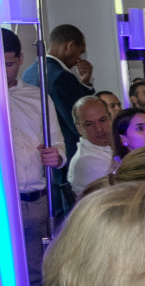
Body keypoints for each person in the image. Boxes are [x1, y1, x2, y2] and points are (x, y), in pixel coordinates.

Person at [2, 28, 65, 286]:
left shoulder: (38, 97)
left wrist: (56, 156)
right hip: (0, 203)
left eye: (9, 64)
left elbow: (58, 143)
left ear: (20, 58)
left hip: (35, 201)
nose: (4, 71)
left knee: (38, 277)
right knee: (4, 278)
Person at [21, 24, 94, 198]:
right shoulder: (62, 77)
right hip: (64, 161)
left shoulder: (30, 72)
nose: (79, 59)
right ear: (70, 46)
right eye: (80, 52)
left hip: (36, 158)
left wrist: (84, 83)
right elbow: (78, 122)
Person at [67, 96, 115, 196]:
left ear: (110, 118)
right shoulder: (86, 160)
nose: (98, 129)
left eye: (102, 120)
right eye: (89, 124)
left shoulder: (116, 143)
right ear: (79, 128)